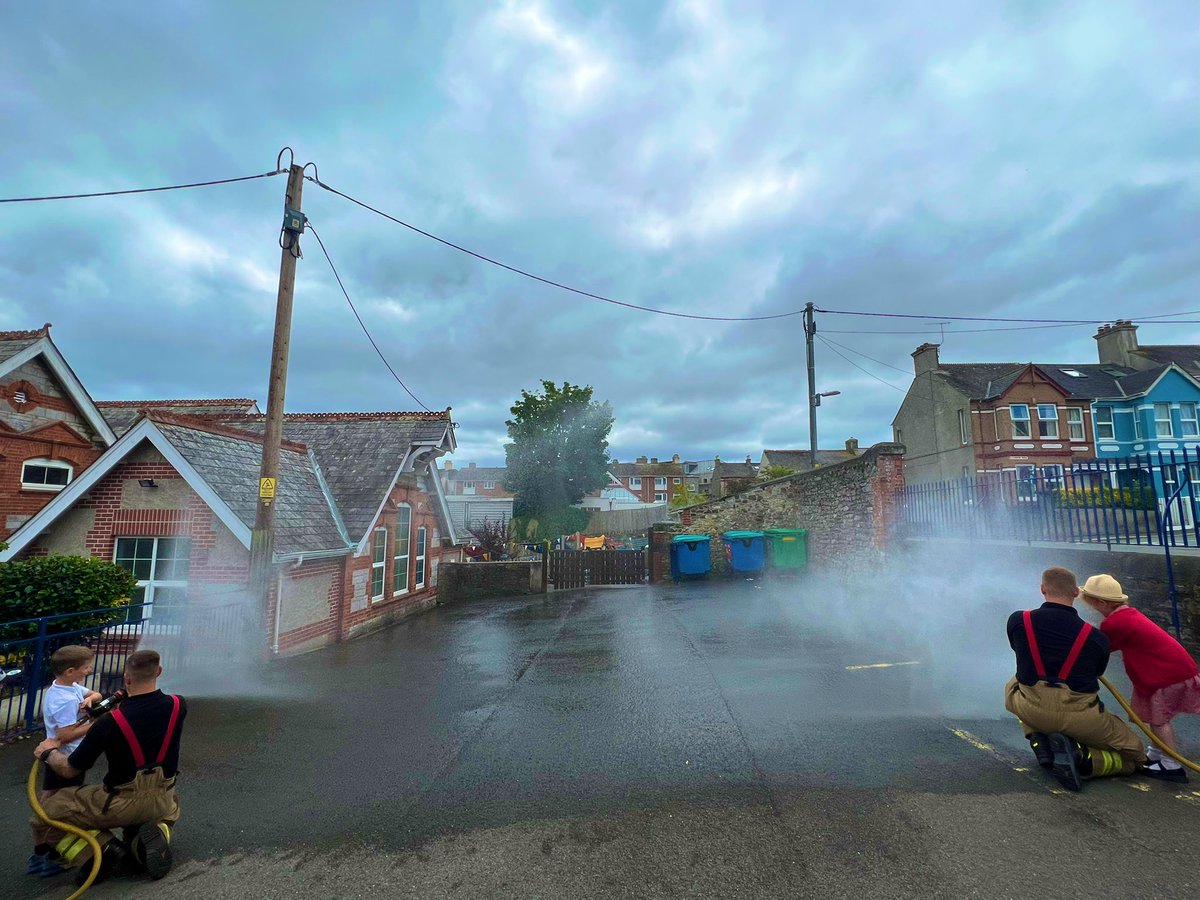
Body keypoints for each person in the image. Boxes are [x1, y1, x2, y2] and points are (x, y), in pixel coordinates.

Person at [32, 649, 186, 884]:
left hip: (120, 802)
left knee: (45, 812)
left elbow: (69, 769)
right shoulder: (178, 705)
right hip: (163, 799)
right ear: (160, 672)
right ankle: (147, 840)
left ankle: (101, 851)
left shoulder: (109, 722)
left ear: (126, 678)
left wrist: (48, 753)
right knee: (165, 811)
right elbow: (147, 717)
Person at [1004, 566, 1156, 791]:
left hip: (1031, 707)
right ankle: (1082, 759)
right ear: (1076, 592)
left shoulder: (1018, 621)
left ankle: (1039, 740)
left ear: (1042, 589)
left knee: (1014, 685)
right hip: (1081, 718)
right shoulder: (1096, 638)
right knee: (1136, 756)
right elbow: (1096, 672)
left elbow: (1019, 651)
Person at [1080, 573, 1200, 784]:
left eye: (1090, 602)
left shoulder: (1115, 623)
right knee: (1152, 715)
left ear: (1100, 602)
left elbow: (1103, 647)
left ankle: (1172, 765)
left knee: (1158, 719)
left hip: (1164, 675)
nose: (1090, 607)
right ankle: (1156, 753)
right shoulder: (1127, 615)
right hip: (1166, 671)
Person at [28, 646, 103, 877]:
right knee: (61, 805)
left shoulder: (68, 686)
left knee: (49, 798)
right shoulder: (63, 700)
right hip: (67, 758)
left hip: (61, 756)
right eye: (86, 667)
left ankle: (40, 854)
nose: (90, 670)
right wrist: (100, 723)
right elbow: (65, 735)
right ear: (71, 671)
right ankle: (52, 854)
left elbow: (96, 693)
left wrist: (90, 699)